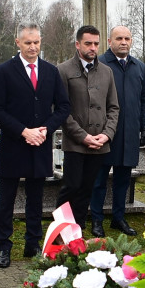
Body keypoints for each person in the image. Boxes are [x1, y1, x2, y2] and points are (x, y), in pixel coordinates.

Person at [0, 23, 70, 268]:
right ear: (18, 43)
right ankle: (4, 247)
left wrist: (46, 129)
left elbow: (63, 107)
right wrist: (23, 131)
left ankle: (32, 244)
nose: (33, 47)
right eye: (28, 43)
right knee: (6, 200)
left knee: (35, 200)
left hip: (40, 144)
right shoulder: (3, 71)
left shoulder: (50, 71)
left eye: (36, 42)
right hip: (14, 144)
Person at [57, 26, 119, 232]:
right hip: (75, 143)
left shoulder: (107, 72)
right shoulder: (64, 70)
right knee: (71, 188)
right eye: (88, 43)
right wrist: (82, 136)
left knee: (86, 190)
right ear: (77, 44)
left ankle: (78, 231)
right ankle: (60, 232)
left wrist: (107, 134)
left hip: (99, 143)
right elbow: (61, 109)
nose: (93, 48)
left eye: (96, 44)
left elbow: (113, 107)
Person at [90, 26, 145, 237]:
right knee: (99, 180)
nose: (124, 42)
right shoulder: (100, 64)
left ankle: (118, 217)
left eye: (127, 38)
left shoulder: (139, 67)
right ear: (109, 41)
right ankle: (96, 219)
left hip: (129, 132)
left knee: (123, 180)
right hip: (105, 132)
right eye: (119, 38)